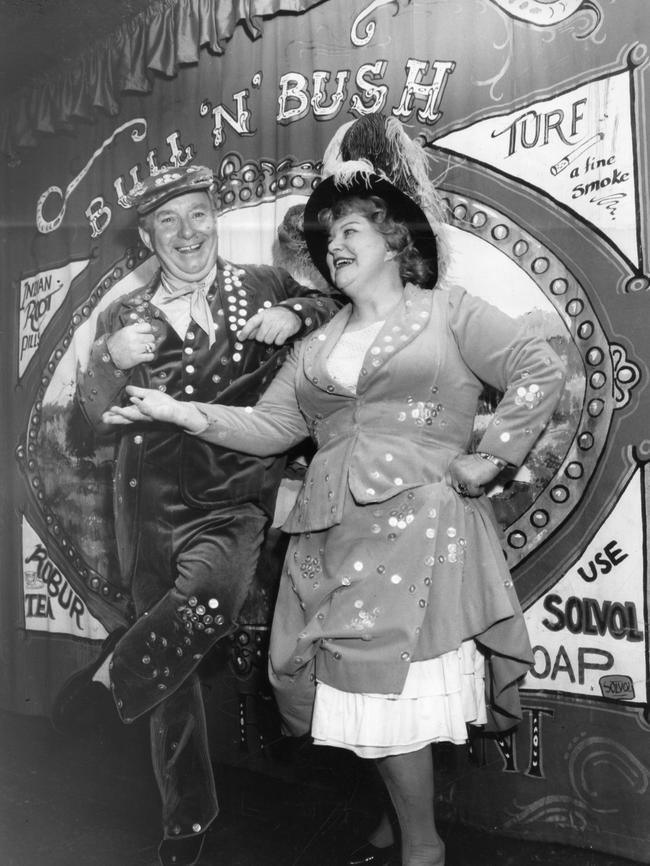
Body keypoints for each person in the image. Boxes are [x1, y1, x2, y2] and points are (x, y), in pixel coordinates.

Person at [104, 165, 566, 866]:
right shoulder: (317, 347)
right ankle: (398, 825)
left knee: (389, 695)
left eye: (350, 230)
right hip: (331, 536)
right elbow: (266, 427)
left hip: (419, 530)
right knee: (357, 696)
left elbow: (538, 363)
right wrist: (178, 412)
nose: (335, 247)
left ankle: (422, 849)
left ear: (393, 239)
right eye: (327, 240)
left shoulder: (448, 311)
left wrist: (494, 455)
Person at [52, 164, 339, 866]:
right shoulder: (124, 317)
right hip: (147, 505)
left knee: (209, 600)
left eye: (198, 215)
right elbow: (85, 435)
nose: (187, 233)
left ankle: (108, 682)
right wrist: (103, 365)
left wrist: (299, 313)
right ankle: (187, 824)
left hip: (234, 497)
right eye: (169, 221)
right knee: (174, 683)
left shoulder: (263, 287)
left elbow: (343, 307)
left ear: (216, 218)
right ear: (148, 235)